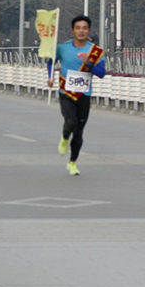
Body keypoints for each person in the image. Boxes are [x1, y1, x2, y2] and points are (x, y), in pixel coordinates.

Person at [47, 15, 106, 176]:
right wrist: (50, 76)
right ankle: (65, 137)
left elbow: (101, 73)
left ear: (89, 31)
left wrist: (89, 63)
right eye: (78, 28)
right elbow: (51, 62)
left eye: (85, 28)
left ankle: (72, 162)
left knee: (79, 132)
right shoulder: (62, 48)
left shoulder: (95, 51)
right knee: (70, 121)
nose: (81, 31)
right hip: (66, 93)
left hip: (84, 94)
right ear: (73, 30)